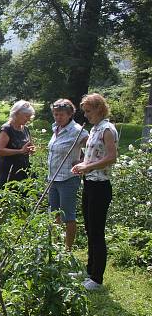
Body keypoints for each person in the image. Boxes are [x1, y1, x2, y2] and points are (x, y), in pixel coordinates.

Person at [71, 93, 118, 291]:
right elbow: (93, 156)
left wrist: (88, 167)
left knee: (97, 231)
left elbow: (112, 157)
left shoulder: (108, 129)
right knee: (90, 228)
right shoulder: (94, 129)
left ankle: (97, 279)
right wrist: (82, 164)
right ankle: (90, 271)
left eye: (88, 111)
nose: (86, 115)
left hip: (101, 186)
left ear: (99, 108)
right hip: (89, 183)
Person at [47, 99, 88, 251]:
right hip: (53, 178)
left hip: (68, 179)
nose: (58, 117)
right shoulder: (55, 128)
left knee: (67, 215)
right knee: (55, 213)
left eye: (61, 115)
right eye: (55, 114)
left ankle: (67, 249)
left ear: (70, 114)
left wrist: (83, 162)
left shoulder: (77, 131)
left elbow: (93, 148)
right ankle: (55, 245)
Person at [0, 100, 36, 189]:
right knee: (6, 196)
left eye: (30, 117)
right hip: (8, 170)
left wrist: (31, 149)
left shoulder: (25, 129)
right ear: (17, 113)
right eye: (26, 116)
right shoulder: (7, 129)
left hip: (24, 169)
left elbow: (29, 145)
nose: (29, 119)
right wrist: (20, 151)